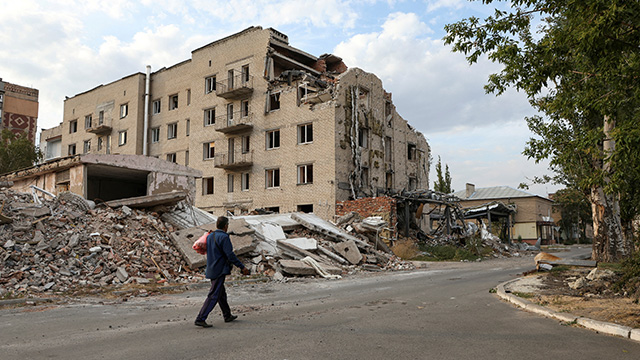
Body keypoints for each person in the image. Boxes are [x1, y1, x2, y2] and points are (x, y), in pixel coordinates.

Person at [195, 216, 250, 328]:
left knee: (221, 293)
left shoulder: (211, 236)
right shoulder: (224, 237)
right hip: (219, 269)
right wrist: (242, 267)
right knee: (214, 294)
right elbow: (230, 255)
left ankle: (227, 315)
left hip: (211, 268)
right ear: (226, 226)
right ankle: (200, 318)